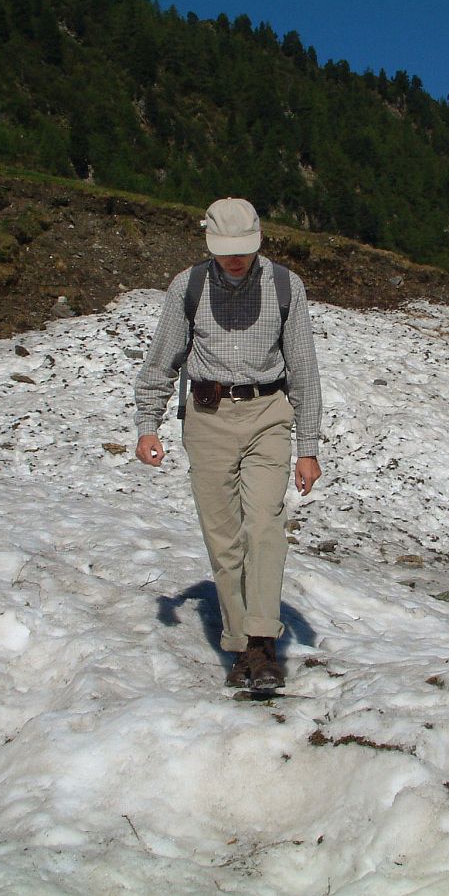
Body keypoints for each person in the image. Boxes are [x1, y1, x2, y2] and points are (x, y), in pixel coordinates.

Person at [134, 197, 322, 690]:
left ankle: (263, 647)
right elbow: (162, 360)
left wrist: (308, 447)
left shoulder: (285, 286)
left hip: (268, 415)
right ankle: (239, 646)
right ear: (209, 241)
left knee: (264, 524)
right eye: (225, 249)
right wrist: (147, 425)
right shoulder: (187, 286)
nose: (235, 258)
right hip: (208, 419)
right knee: (225, 538)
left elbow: (303, 368)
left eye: (244, 248)